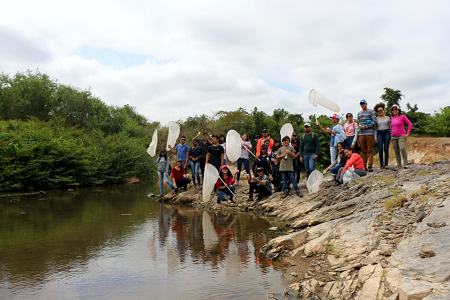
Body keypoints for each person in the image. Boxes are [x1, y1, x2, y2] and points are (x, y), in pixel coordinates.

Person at [356, 99, 378, 172]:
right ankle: (364, 165)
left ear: (366, 104)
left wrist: (364, 127)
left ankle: (370, 165)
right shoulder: (359, 113)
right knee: (364, 150)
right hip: (361, 134)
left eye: (364, 103)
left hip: (369, 133)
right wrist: (359, 129)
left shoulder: (371, 111)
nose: (362, 105)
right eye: (361, 104)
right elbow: (359, 123)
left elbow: (374, 122)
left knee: (370, 150)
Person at [390, 105, 413, 169]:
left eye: (396, 109)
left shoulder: (402, 116)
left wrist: (408, 133)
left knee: (402, 148)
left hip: (401, 136)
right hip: (393, 136)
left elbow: (410, 124)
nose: (394, 110)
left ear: (399, 110)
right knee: (396, 151)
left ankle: (405, 164)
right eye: (393, 109)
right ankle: (399, 165)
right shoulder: (391, 118)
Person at [373, 103, 392, 169]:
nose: (380, 112)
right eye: (378, 111)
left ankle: (386, 163)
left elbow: (390, 127)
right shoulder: (376, 118)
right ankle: (381, 164)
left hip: (387, 132)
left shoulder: (388, 118)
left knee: (386, 149)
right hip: (379, 133)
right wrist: (375, 137)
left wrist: (392, 134)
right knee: (380, 149)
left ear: (383, 110)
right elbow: (375, 128)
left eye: (381, 110)